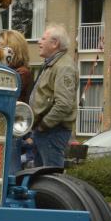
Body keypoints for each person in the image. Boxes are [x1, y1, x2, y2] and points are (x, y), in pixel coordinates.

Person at [27, 23, 77, 168]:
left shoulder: (64, 67)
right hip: (46, 131)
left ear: (55, 43)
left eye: (43, 39)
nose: (39, 42)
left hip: (52, 132)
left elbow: (64, 104)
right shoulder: (53, 64)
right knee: (42, 176)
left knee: (50, 175)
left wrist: (44, 125)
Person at [0, 29, 35, 170]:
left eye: (1, 45)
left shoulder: (21, 74)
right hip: (2, 126)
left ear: (12, 49)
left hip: (12, 128)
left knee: (10, 168)